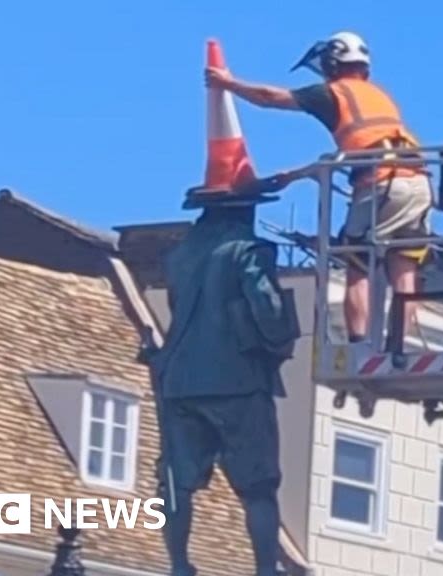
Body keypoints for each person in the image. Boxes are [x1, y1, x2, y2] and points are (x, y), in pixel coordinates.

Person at [207, 31, 432, 343]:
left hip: (382, 184)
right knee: (403, 267)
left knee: (356, 263)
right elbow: (358, 149)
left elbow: (272, 98)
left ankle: (358, 346)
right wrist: (296, 175)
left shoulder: (335, 93)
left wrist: (227, 83)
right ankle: (398, 349)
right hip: (417, 182)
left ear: (332, 62)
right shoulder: (378, 96)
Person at [146, 183, 300, 576]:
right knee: (259, 485)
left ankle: (179, 564)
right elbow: (267, 308)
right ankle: (266, 569)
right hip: (237, 380)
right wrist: (280, 337)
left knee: (176, 479)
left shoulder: (179, 256)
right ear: (241, 208)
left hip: (179, 378)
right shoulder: (248, 251)